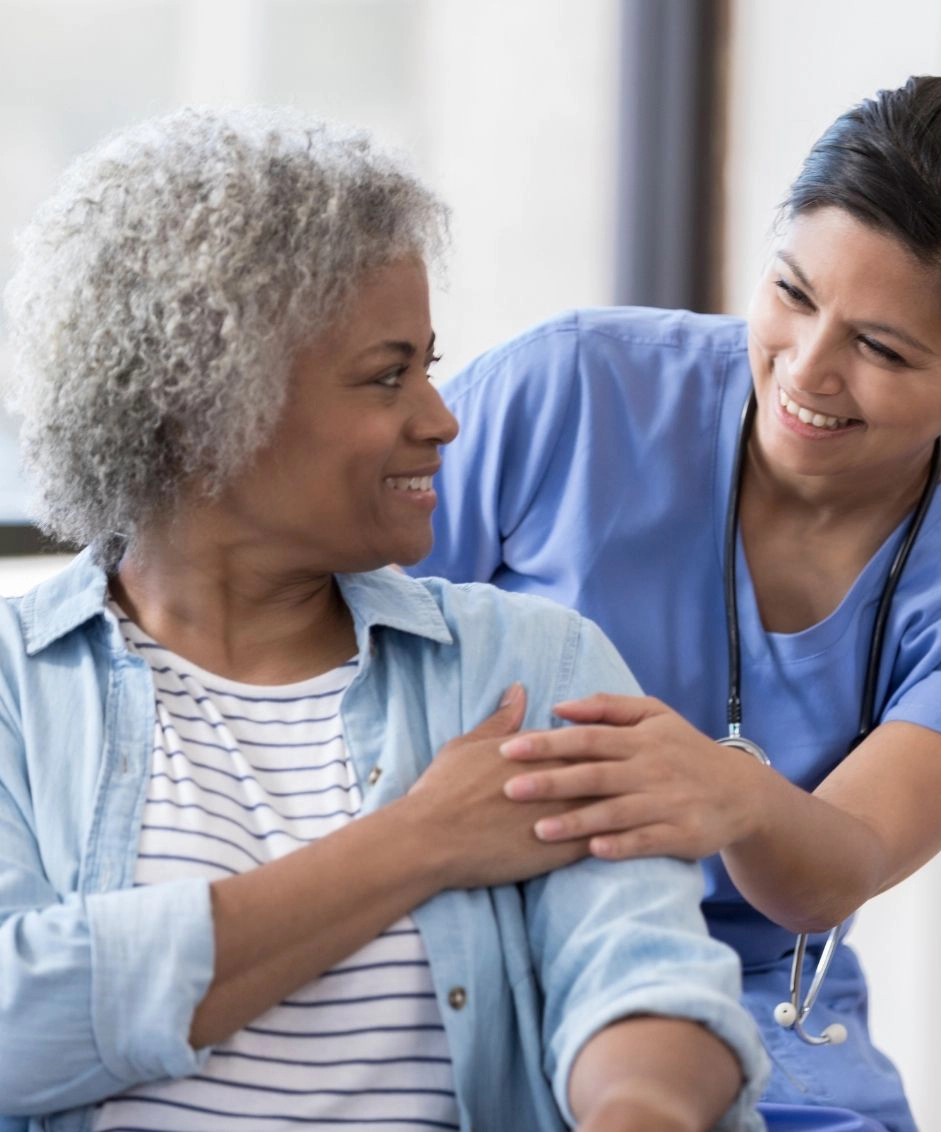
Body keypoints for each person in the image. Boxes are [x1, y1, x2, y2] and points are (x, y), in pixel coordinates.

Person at [0, 107, 770, 1132]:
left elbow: (640, 967)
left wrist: (640, 1111)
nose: (440, 418)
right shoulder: (15, 689)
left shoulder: (528, 663)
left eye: (430, 365)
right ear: (201, 416)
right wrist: (417, 841)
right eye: (385, 375)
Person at [409, 75, 941, 1131]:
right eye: (791, 293)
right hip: (455, 923)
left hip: (749, 998)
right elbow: (332, 630)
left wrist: (734, 795)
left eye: (880, 348)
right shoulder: (577, 386)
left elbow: (834, 871)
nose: (804, 370)